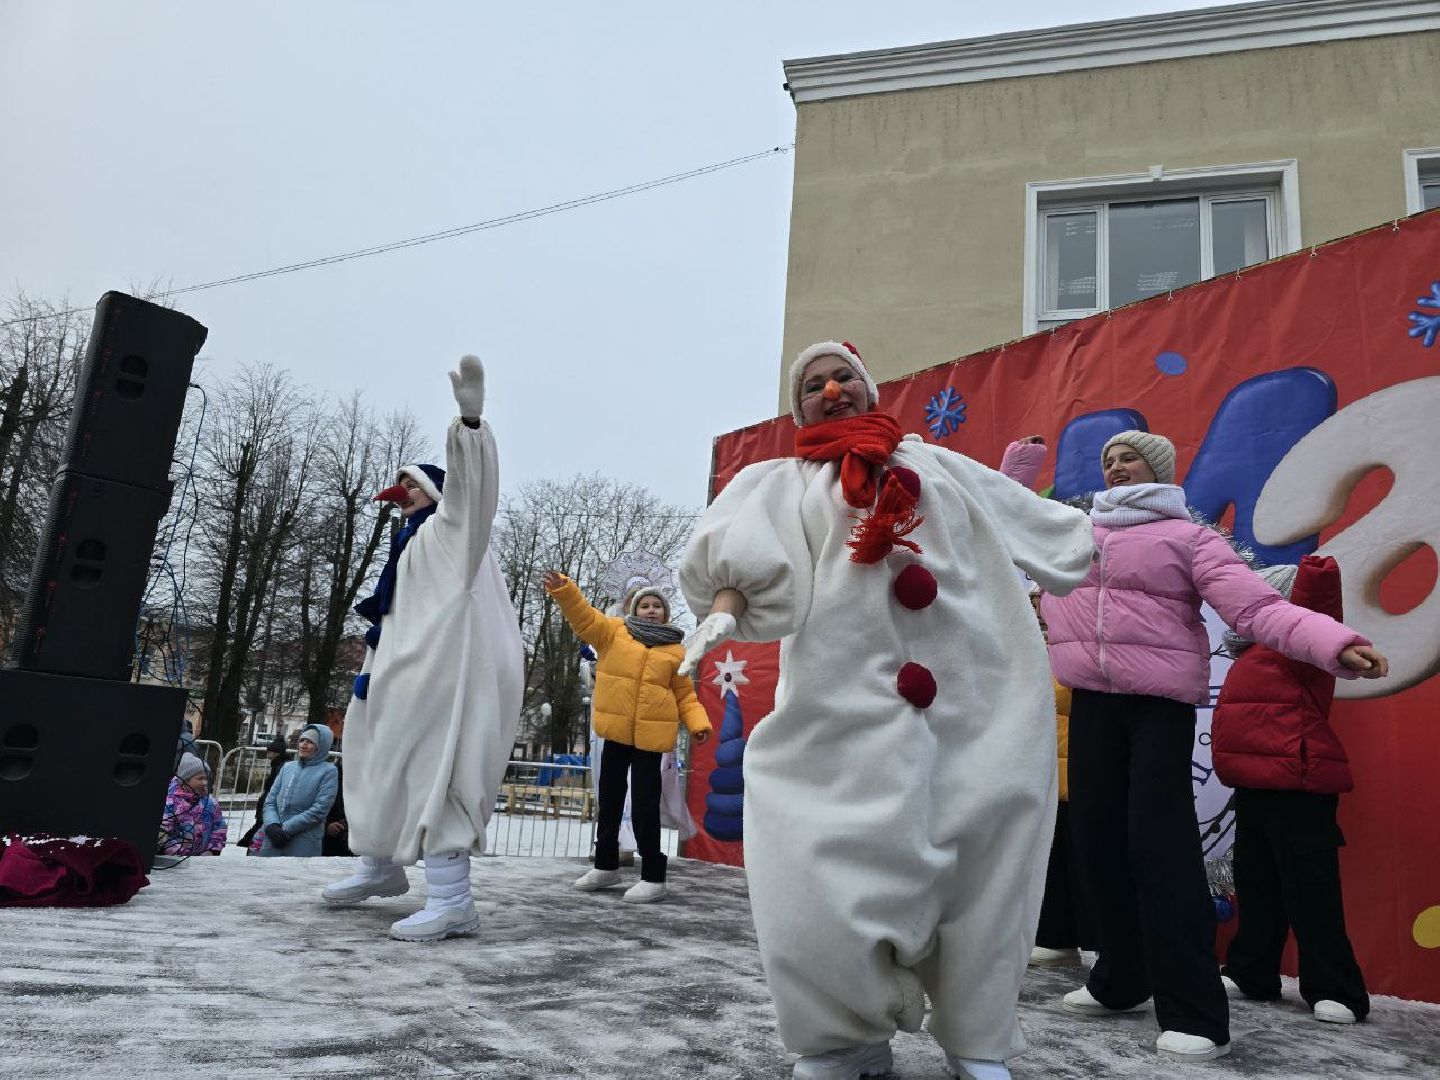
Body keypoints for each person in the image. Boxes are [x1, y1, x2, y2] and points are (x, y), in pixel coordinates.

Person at [678, 341, 1095, 1080]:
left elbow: (1045, 527)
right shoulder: (781, 483)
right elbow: (747, 556)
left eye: (843, 377)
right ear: (798, 404)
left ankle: (978, 1040)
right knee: (817, 869)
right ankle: (843, 1038)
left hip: (977, 696)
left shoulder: (935, 465)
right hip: (843, 706)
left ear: (868, 389)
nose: (831, 389)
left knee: (985, 861)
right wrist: (722, 608)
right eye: (812, 384)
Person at [1039, 431, 1388, 1063]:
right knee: (1095, 842)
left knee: (1161, 848)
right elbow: (1009, 550)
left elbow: (1255, 608)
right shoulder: (1072, 534)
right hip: (1092, 704)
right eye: (1109, 460)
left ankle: (1194, 1007)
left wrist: (1333, 643)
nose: (1116, 467)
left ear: (1160, 470)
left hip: (1159, 710)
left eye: (1130, 458)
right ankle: (1121, 978)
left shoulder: (1188, 538)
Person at [322, 356, 525, 942]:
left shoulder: (453, 532)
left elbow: (470, 492)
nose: (403, 492)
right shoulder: (407, 543)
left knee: (442, 771)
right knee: (373, 760)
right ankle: (381, 866)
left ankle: (452, 899)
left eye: (414, 483)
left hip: (443, 680)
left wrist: (468, 428)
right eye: (401, 485)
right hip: (394, 674)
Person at [1212, 556, 1370, 1025]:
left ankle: (1336, 987)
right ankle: (1252, 971)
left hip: (1299, 783)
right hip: (1254, 783)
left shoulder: (1304, 646)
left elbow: (1316, 608)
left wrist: (1314, 577)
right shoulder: (1251, 651)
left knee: (1310, 889)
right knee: (1258, 883)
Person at [545, 571, 711, 903]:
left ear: (666, 612)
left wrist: (698, 724)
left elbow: (685, 696)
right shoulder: (614, 633)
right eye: (645, 605)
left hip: (651, 739)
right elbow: (585, 618)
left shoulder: (677, 652)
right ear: (633, 610)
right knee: (609, 801)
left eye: (657, 606)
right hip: (616, 733)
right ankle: (606, 865)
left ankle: (653, 875)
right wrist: (566, 592)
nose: (651, 610)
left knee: (645, 807)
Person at [256, 724, 339, 857]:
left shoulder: (329, 771)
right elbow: (270, 801)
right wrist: (272, 825)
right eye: (302, 740)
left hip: (304, 841)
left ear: (321, 746)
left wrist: (285, 829)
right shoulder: (287, 767)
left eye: (310, 742)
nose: (303, 745)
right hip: (273, 838)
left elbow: (320, 809)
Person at [157, 752, 227, 857]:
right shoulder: (170, 802)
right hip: (176, 861)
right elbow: (163, 834)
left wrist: (211, 851)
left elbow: (219, 828)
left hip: (203, 861)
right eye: (200, 778)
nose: (204, 782)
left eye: (206, 779)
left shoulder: (210, 803)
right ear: (185, 780)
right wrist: (180, 855)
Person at [237, 735, 289, 850]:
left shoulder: (281, 767)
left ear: (276, 753)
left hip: (271, 806)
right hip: (268, 805)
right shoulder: (278, 765)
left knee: (261, 828)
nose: (267, 754)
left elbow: (273, 789)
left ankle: (250, 843)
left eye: (269, 752)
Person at [323, 761, 353, 858]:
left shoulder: (365, 778)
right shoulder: (331, 775)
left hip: (353, 837)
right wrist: (326, 826)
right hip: (330, 838)